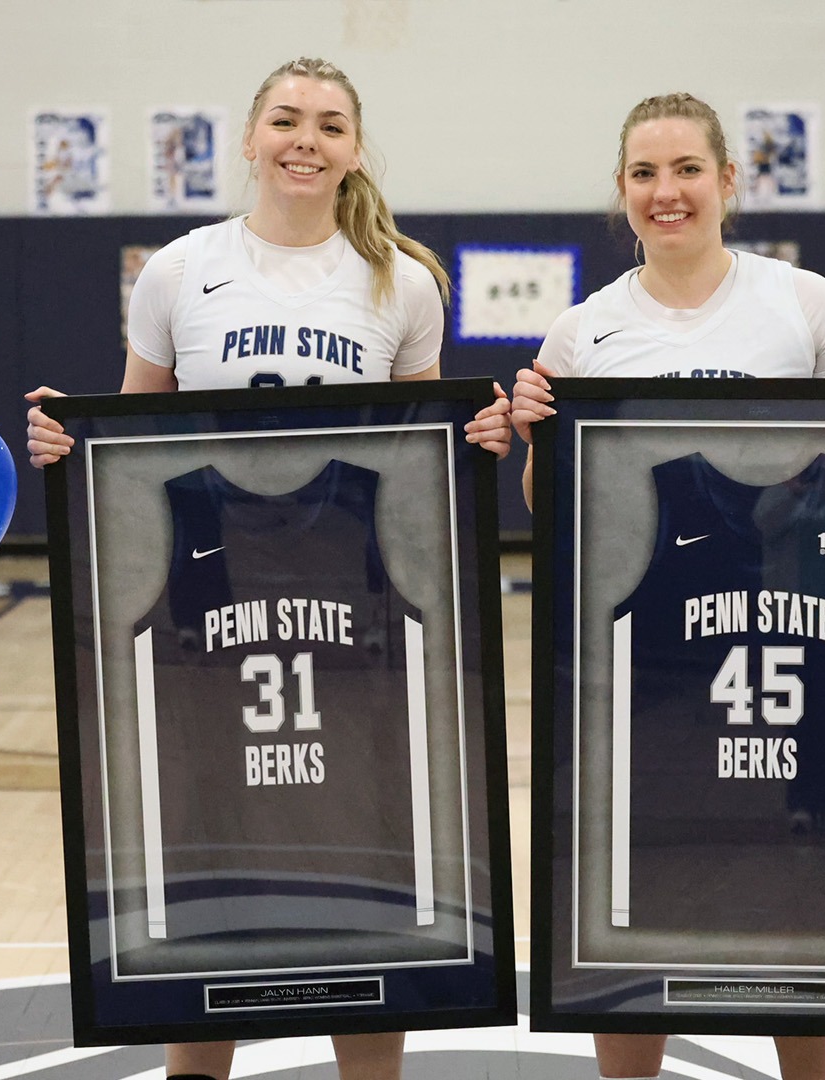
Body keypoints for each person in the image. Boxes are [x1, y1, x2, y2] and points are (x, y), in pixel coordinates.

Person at [25, 56, 511, 1080]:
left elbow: (422, 462)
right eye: (286, 120)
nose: (306, 140)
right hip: (209, 619)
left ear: (355, 150)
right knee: (214, 868)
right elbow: (134, 443)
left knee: (364, 874)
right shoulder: (179, 271)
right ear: (248, 138)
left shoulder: (403, 282)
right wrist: (72, 450)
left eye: (330, 125)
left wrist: (484, 440)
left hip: (356, 626)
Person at [509, 92, 825, 1080]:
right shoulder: (582, 332)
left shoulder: (804, 302)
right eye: (646, 174)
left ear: (728, 181)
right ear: (622, 192)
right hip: (649, 649)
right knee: (637, 885)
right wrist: (534, 436)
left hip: (789, 620)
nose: (668, 192)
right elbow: (546, 509)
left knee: (797, 900)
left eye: (688, 169)